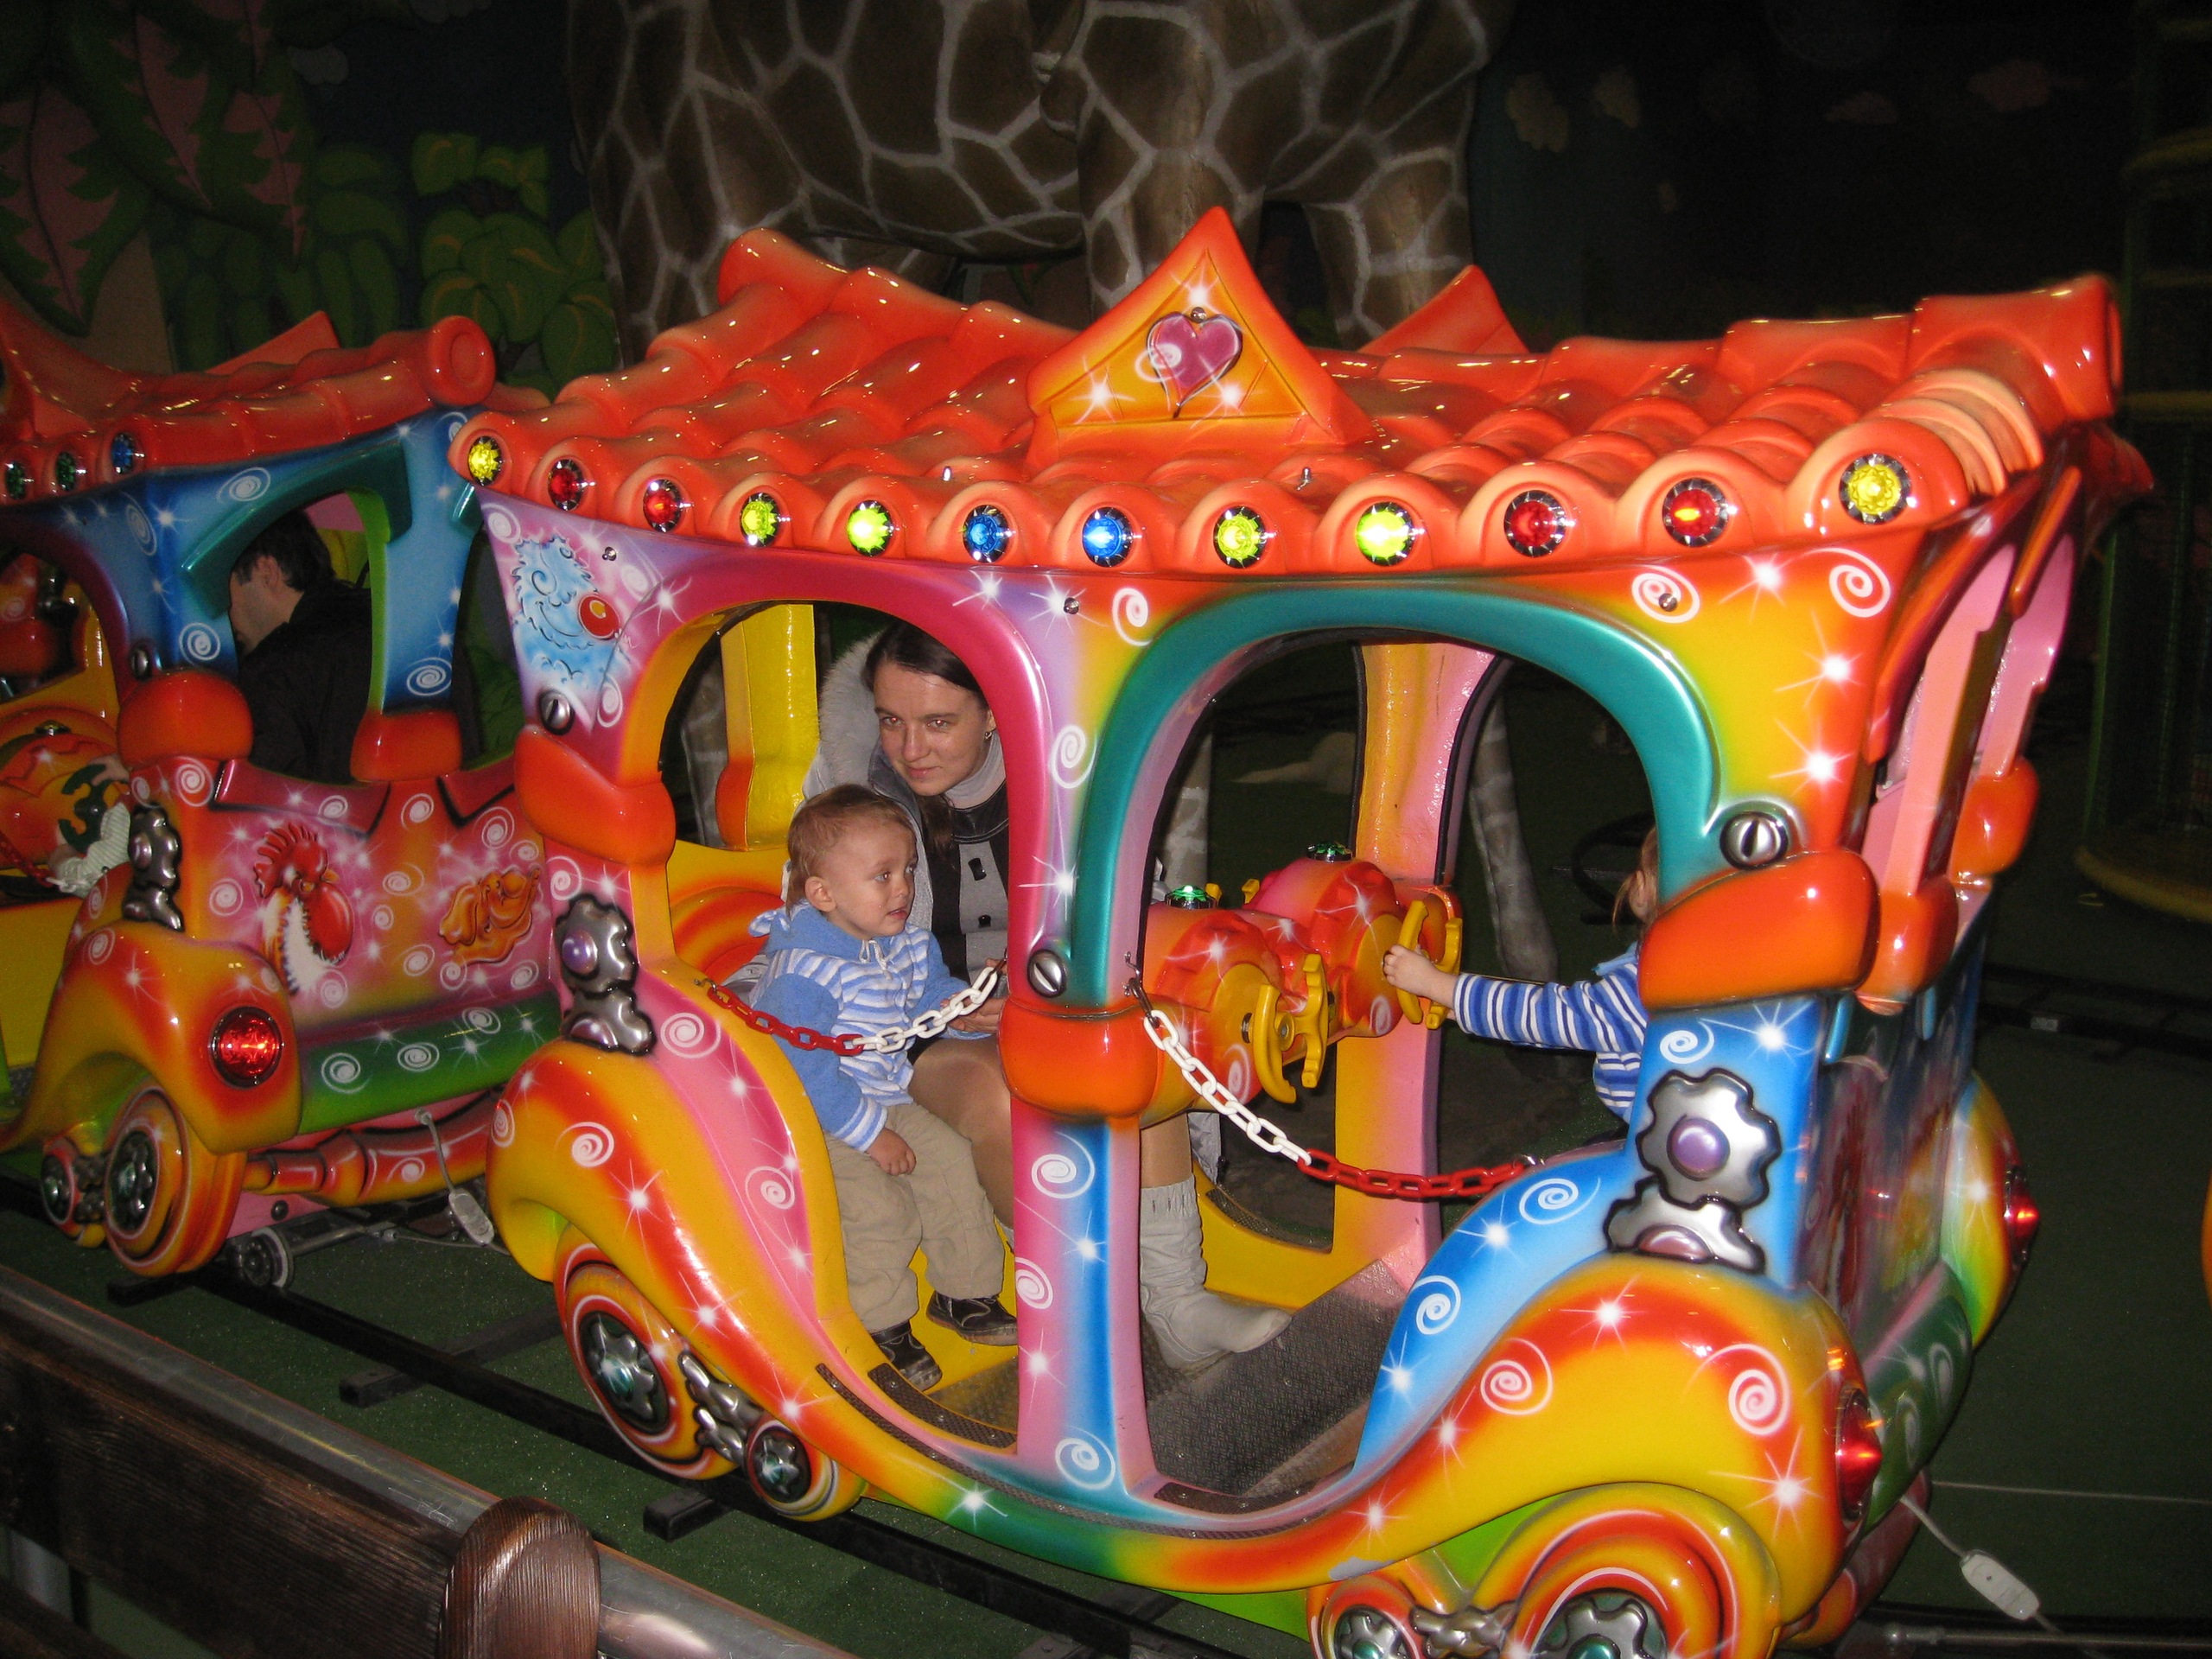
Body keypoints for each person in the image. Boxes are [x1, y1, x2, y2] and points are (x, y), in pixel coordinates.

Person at [810, 621, 1289, 1370]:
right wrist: (943, 1002)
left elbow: (1133, 906)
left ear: (993, 712)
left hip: (1055, 1001)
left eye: (938, 723)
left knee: (1139, 1048)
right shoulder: (854, 798)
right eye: (890, 720)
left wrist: (1051, 985)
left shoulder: (1064, 781)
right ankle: (1072, 1314)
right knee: (1003, 1095)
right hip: (904, 1018)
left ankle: (1175, 1302)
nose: (909, 748)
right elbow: (819, 938)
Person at [748, 785, 1020, 1390]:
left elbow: (926, 997)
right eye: (882, 876)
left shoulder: (904, 944)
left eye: (908, 870)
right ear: (823, 894)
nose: (903, 889)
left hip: (887, 1094)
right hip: (821, 1115)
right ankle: (880, 1325)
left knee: (953, 1162)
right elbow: (805, 1069)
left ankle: (965, 1293)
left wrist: (960, 1008)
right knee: (878, 1209)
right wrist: (871, 1135)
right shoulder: (803, 973)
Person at [1383, 828, 1656, 1117]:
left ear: (1641, 888)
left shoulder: (1649, 989)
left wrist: (1436, 985)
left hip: (1658, 1132)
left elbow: (1547, 1017)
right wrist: (1463, 1008)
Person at [227, 511, 373, 784]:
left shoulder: (275, 668)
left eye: (226, 588)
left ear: (267, 572)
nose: (224, 612)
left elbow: (259, 794)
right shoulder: (389, 620)